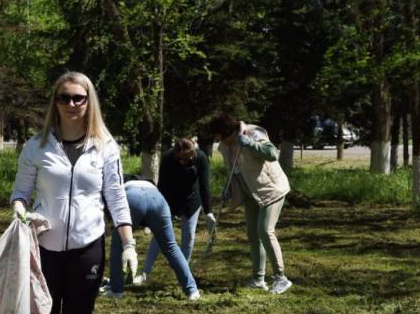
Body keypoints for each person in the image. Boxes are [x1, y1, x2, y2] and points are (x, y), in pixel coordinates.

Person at [10, 71, 137, 314]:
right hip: (45, 250)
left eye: (78, 98)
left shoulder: (105, 146)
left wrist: (129, 244)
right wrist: (20, 211)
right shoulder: (35, 146)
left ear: (88, 101)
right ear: (55, 101)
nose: (71, 104)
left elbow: (116, 196)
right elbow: (21, 192)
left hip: (87, 249)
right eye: (64, 97)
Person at [210, 112, 292, 294]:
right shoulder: (225, 147)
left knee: (265, 230)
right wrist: (228, 189)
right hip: (250, 194)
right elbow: (233, 170)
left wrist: (252, 145)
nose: (217, 140)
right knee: (253, 235)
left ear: (226, 132)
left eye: (217, 135)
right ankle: (258, 279)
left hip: (271, 190)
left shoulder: (253, 133)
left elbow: (272, 154)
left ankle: (281, 278)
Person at [105, 177, 200, 300]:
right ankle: (192, 290)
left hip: (131, 198)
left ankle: (116, 290)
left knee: (118, 244)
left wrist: (109, 222)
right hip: (158, 200)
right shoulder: (150, 186)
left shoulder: (122, 183)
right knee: (171, 247)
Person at [136, 138, 215, 284]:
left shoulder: (201, 158)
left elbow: (204, 186)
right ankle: (145, 272)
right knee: (160, 235)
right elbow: (162, 185)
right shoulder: (168, 158)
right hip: (170, 199)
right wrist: (154, 210)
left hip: (192, 200)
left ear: (193, 153)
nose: (184, 162)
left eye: (187, 158)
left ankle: (183, 273)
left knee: (189, 236)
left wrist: (208, 210)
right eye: (180, 159)